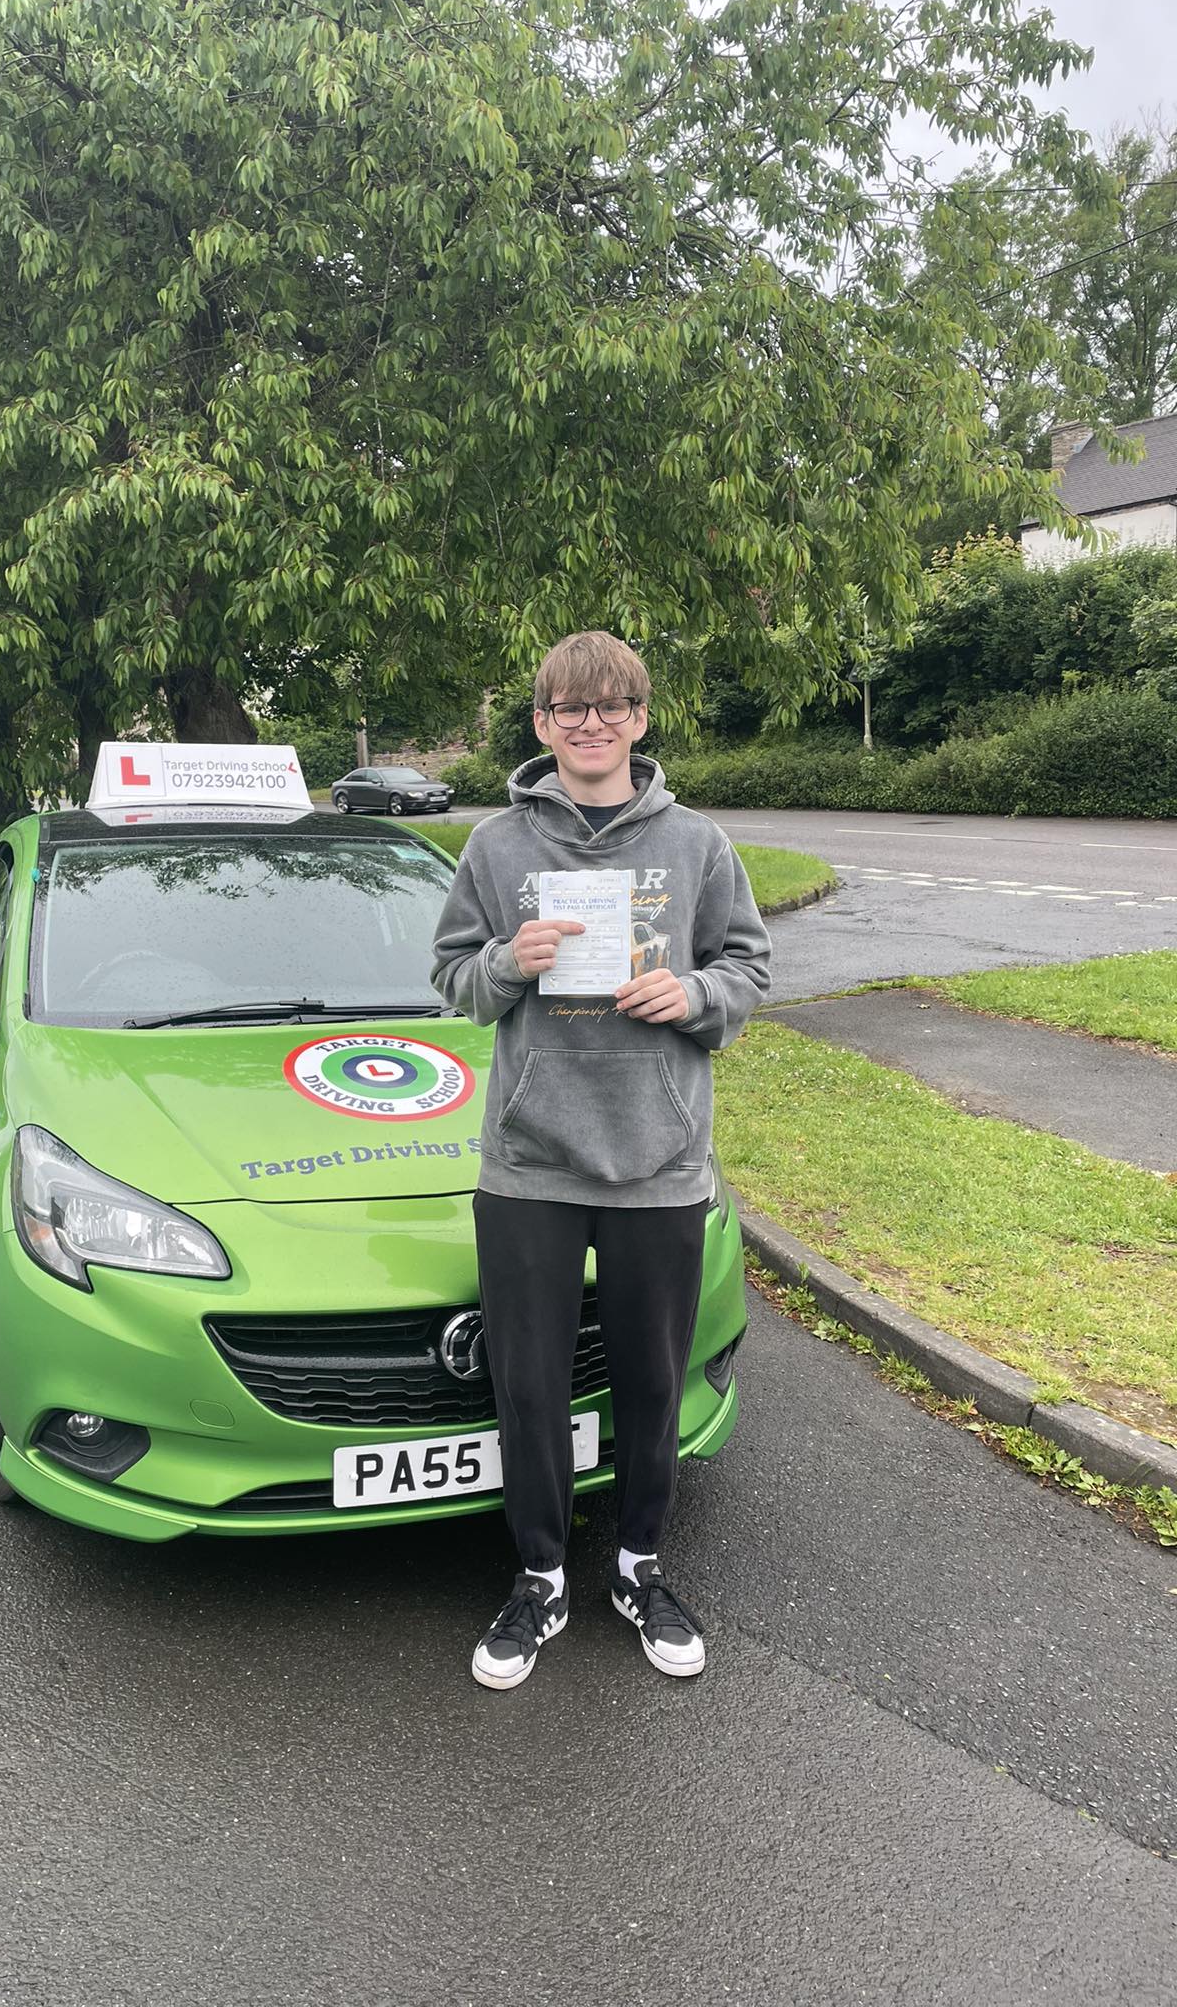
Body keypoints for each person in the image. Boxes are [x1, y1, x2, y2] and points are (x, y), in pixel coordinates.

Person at [430, 631, 772, 1690]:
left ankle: (638, 1564)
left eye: (611, 705)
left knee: (650, 1382)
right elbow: (451, 977)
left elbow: (748, 964)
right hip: (530, 1162)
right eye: (568, 707)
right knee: (529, 1386)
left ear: (639, 716)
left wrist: (700, 997)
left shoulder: (699, 845)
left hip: (660, 1160)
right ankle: (540, 1576)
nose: (590, 723)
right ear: (540, 723)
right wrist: (505, 962)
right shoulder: (495, 846)